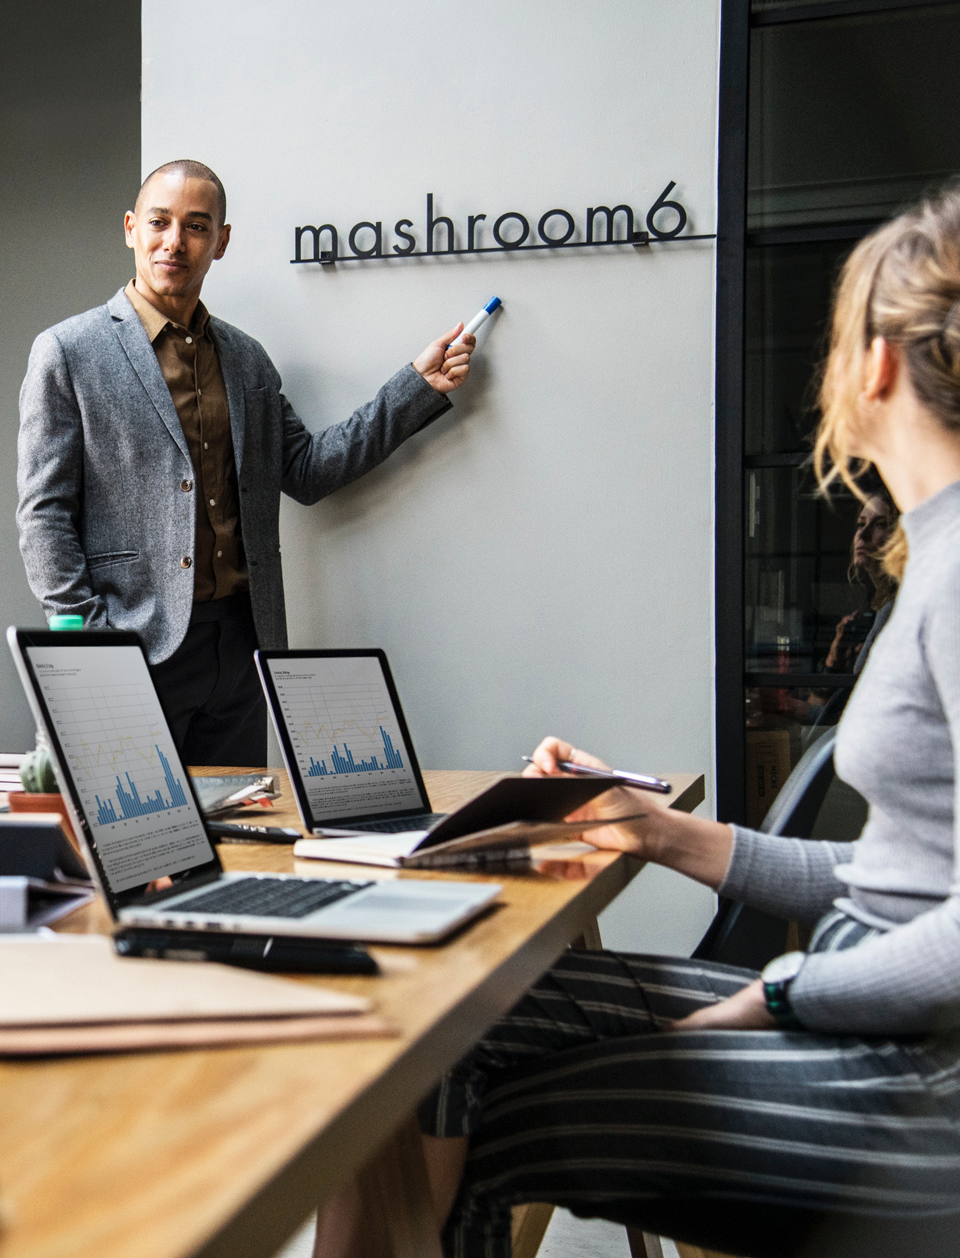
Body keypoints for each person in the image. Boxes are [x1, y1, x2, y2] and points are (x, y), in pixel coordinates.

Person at [317, 189, 960, 1258]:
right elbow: (902, 878)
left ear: (877, 363)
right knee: (435, 1015)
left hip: (918, 1081)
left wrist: (775, 996)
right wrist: (654, 828)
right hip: (877, 1019)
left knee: (487, 1115)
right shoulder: (936, 549)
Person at [16, 160, 473, 765]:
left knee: (233, 837)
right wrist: (93, 638)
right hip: (131, 641)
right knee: (127, 843)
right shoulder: (67, 352)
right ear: (131, 228)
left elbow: (307, 469)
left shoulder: (247, 359)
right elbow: (43, 514)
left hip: (242, 642)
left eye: (196, 226)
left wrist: (415, 387)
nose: (174, 242)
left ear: (221, 241)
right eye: (159, 222)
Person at [822, 488, 899, 673]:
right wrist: (836, 658)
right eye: (860, 524)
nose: (862, 534)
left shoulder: (895, 609)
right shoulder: (879, 606)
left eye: (880, 524)